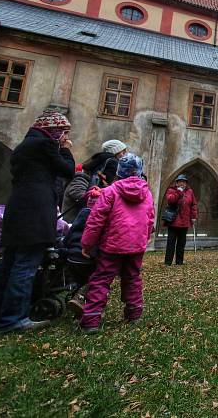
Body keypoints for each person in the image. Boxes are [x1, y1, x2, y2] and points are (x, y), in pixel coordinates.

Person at [0, 110, 75, 333]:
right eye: (63, 132)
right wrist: (65, 149)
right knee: (26, 265)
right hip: (35, 210)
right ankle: (13, 319)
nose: (64, 136)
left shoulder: (25, 145)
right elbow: (68, 170)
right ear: (55, 131)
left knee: (8, 264)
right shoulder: (44, 145)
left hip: (18, 207)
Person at [79, 154, 154, 333]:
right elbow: (150, 218)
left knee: (101, 279)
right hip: (136, 245)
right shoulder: (147, 193)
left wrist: (87, 243)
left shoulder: (111, 191)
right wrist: (146, 237)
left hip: (113, 243)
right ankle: (134, 313)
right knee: (132, 278)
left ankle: (91, 319)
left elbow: (96, 219)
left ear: (119, 172)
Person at [61, 139, 128, 222]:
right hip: (72, 226)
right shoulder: (82, 176)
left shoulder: (95, 178)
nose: (125, 155)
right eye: (123, 152)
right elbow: (77, 194)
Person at [163, 174, 198, 265]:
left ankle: (179, 261)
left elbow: (193, 204)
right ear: (177, 183)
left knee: (181, 242)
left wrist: (193, 216)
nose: (182, 183)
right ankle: (168, 261)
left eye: (184, 182)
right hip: (173, 221)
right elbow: (171, 200)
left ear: (186, 183)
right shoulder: (171, 190)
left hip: (185, 221)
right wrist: (179, 192)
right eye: (180, 182)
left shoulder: (190, 192)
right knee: (171, 242)